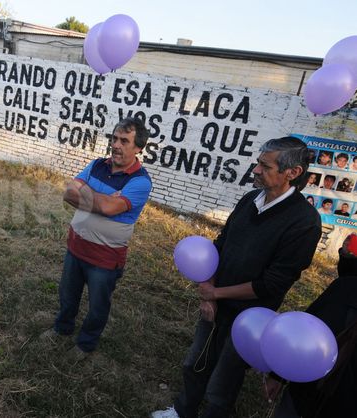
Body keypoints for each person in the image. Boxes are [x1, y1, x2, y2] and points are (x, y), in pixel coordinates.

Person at [152, 136, 321, 418]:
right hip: (215, 301)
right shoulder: (248, 200)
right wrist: (208, 286)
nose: (255, 170)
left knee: (223, 381)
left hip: (249, 318)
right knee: (196, 361)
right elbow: (221, 244)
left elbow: (272, 283)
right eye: (258, 163)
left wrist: (216, 295)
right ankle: (183, 410)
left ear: (293, 173)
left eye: (265, 166)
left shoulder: (304, 222)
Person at [42, 117, 152, 357]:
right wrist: (101, 200)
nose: (116, 145)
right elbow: (69, 193)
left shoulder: (140, 181)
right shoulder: (96, 165)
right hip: (76, 247)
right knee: (67, 294)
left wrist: (88, 193)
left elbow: (110, 209)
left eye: (124, 141)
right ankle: (62, 328)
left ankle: (86, 344)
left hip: (105, 258)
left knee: (97, 306)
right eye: (114, 138)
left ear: (138, 148)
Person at [266, 233, 357, 418]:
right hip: (314, 393)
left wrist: (279, 374)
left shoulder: (346, 288)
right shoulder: (346, 288)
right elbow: (309, 330)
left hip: (318, 394)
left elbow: (306, 332)